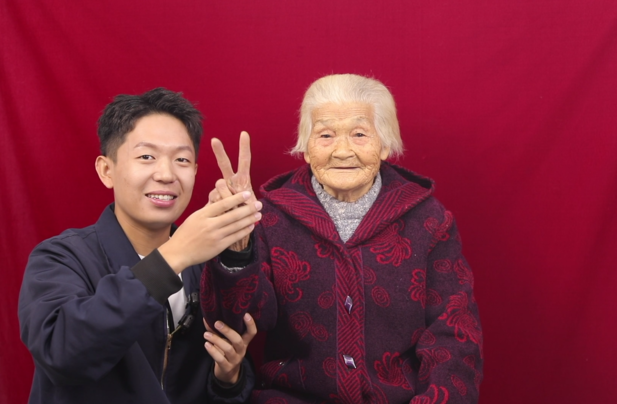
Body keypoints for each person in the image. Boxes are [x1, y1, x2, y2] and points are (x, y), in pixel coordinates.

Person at [202, 74, 483, 403]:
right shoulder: (271, 217)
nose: (342, 151)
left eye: (359, 134)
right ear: (306, 149)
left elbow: (454, 335)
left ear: (385, 145)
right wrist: (237, 246)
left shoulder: (429, 221)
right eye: (326, 135)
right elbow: (237, 323)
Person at [18, 88, 261, 404]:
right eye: (147, 157)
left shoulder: (207, 267)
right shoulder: (59, 258)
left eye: (182, 159)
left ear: (195, 171)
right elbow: (62, 353)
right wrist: (174, 255)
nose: (166, 174)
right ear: (107, 170)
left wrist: (228, 379)